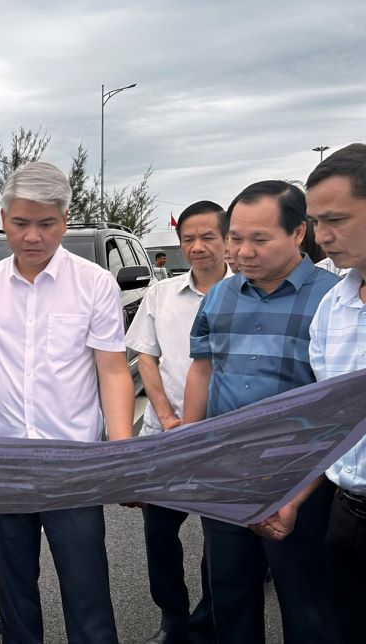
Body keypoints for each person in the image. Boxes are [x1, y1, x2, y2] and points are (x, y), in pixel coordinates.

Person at [0, 161, 133, 644]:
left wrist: (120, 450)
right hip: (6, 459)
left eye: (46, 224)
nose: (32, 236)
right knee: (16, 588)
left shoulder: (94, 282)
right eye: (19, 223)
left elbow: (113, 369)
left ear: (65, 217)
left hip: (72, 461)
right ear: (3, 217)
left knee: (86, 587)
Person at [182, 180, 340, 644]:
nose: (241, 251)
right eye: (234, 238)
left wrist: (299, 490)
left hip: (305, 477)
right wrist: (186, 446)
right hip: (226, 474)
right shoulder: (220, 296)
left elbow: (340, 403)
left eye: (259, 239)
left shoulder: (333, 299)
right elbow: (202, 368)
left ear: (298, 234)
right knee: (229, 597)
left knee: (308, 601)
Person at [253, 143, 366, 644]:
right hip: (350, 517)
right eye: (317, 222)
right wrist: (295, 496)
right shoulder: (334, 310)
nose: (322, 238)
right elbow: (330, 427)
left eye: (336, 220)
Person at [125, 201, 232, 644]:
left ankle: (208, 615)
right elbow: (145, 356)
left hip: (222, 437)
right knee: (159, 530)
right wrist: (166, 416)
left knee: (220, 536)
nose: (198, 247)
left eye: (208, 237)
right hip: (164, 434)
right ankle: (172, 616)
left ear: (227, 239)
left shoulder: (245, 291)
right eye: (189, 239)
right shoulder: (161, 294)